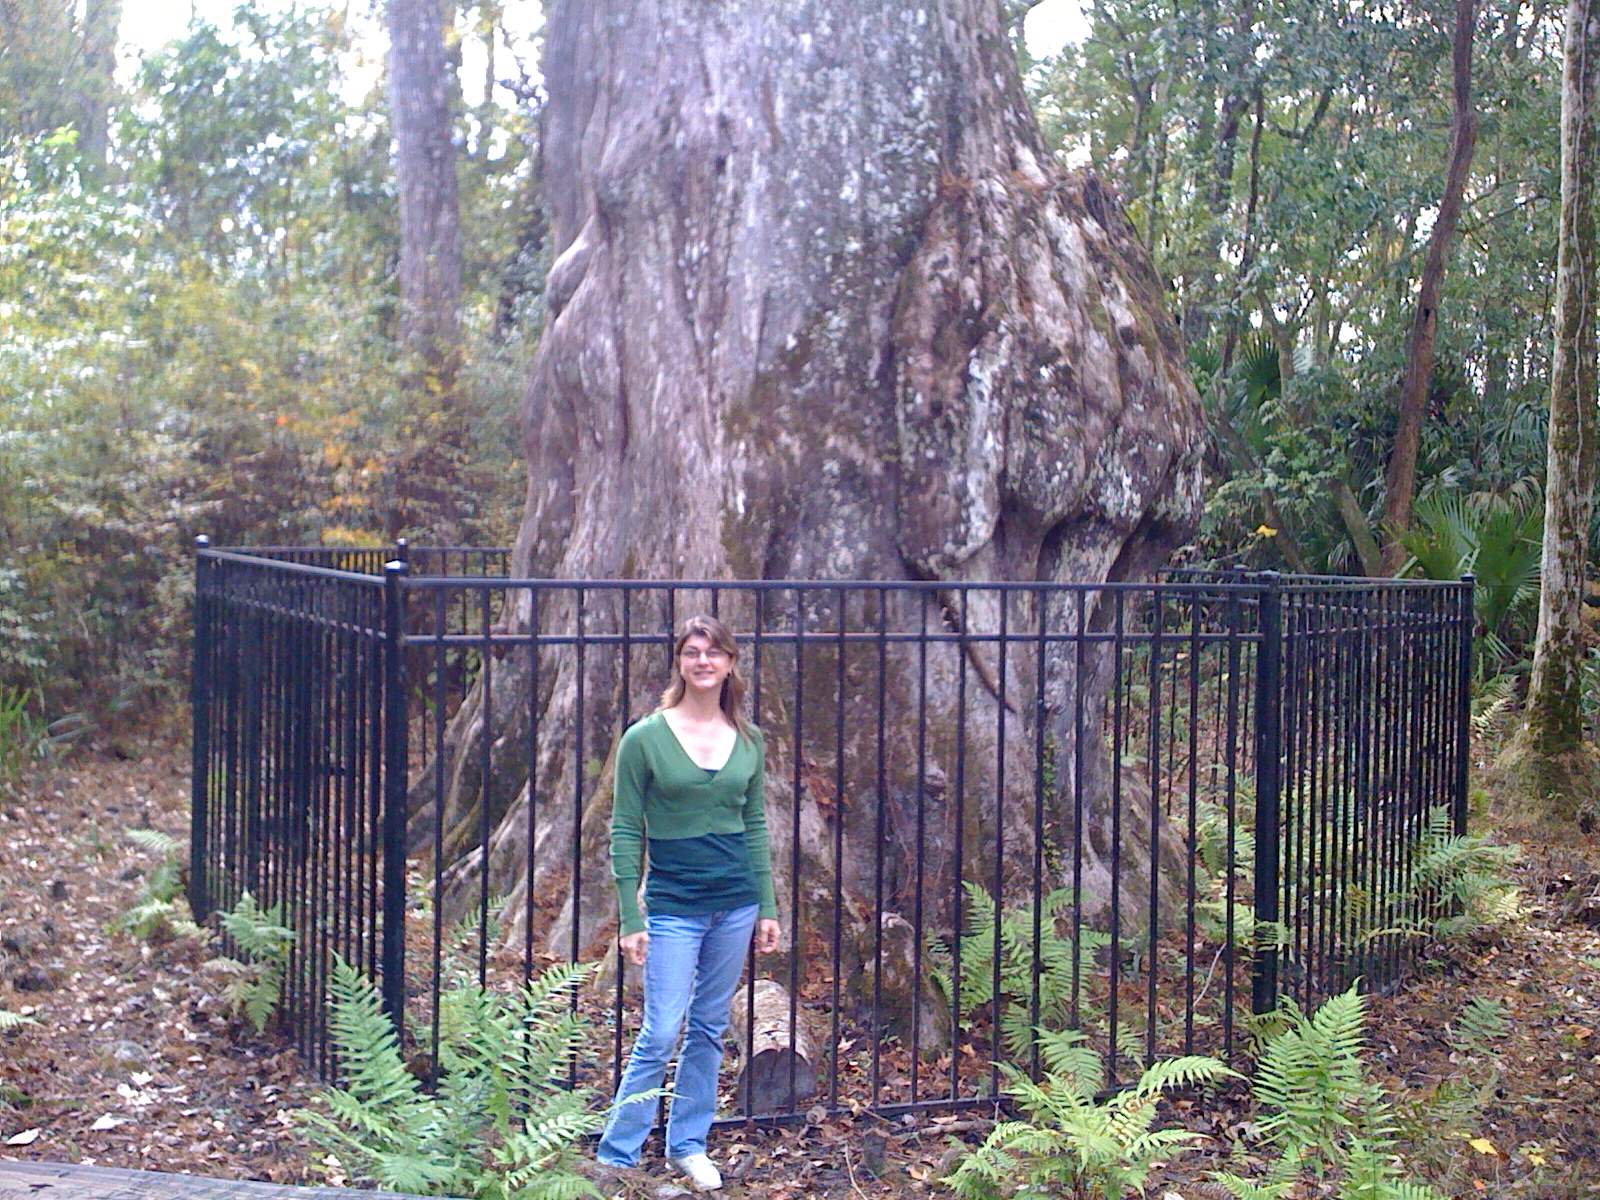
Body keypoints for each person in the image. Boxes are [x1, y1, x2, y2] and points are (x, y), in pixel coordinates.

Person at [596, 615, 781, 1192]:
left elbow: (755, 825)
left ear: (730, 663)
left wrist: (768, 906)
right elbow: (625, 829)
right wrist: (631, 916)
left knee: (707, 1027)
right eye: (693, 652)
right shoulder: (644, 738)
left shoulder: (748, 739)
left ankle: (688, 1145)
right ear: (679, 662)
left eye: (714, 652)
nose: (704, 661)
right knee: (660, 1031)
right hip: (674, 905)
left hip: (736, 903)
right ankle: (617, 1154)